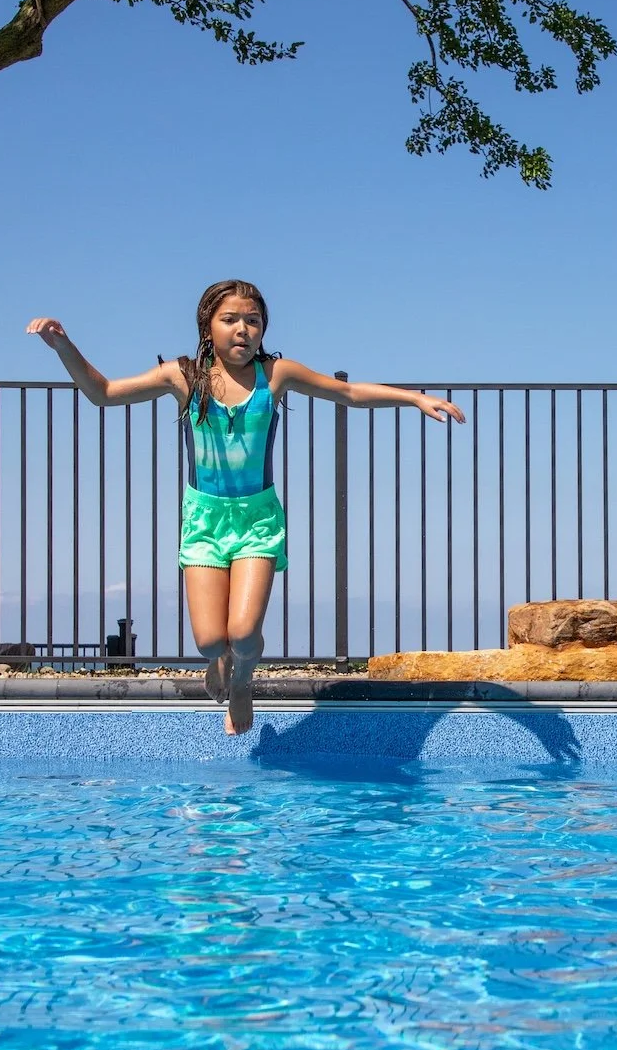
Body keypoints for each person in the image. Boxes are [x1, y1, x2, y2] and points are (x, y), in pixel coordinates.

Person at [28, 279, 465, 733]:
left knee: (242, 633)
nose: (243, 330)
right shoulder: (183, 377)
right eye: (230, 319)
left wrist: (414, 398)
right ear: (208, 327)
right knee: (210, 640)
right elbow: (103, 392)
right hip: (204, 518)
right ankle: (220, 662)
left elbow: (349, 394)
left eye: (252, 321)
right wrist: (62, 346)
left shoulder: (275, 375)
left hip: (257, 518)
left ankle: (243, 678)